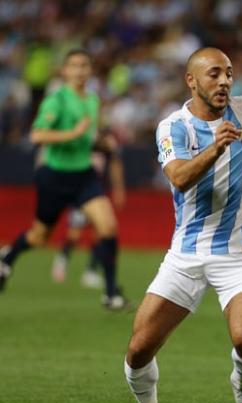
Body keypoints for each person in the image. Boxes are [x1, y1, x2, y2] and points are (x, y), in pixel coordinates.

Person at [112, 47, 242, 403]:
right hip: (187, 253)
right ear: (192, 80)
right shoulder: (173, 127)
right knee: (137, 350)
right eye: (214, 74)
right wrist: (217, 146)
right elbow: (179, 177)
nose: (225, 82)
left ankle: (241, 381)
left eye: (229, 74)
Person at [0, 49, 128, 309]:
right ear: (65, 71)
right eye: (74, 66)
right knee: (38, 236)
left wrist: (102, 141)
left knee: (108, 227)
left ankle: (111, 292)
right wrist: (72, 133)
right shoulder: (56, 100)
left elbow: (91, 134)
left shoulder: (92, 100)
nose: (80, 70)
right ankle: (7, 259)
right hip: (55, 176)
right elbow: (37, 136)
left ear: (90, 70)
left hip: (84, 176)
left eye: (84, 65)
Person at [51, 129, 126, 289]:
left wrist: (119, 189)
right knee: (75, 233)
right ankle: (62, 259)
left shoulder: (107, 142)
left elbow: (115, 165)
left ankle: (90, 272)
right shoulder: (83, 137)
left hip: (97, 192)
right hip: (81, 191)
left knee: (100, 233)